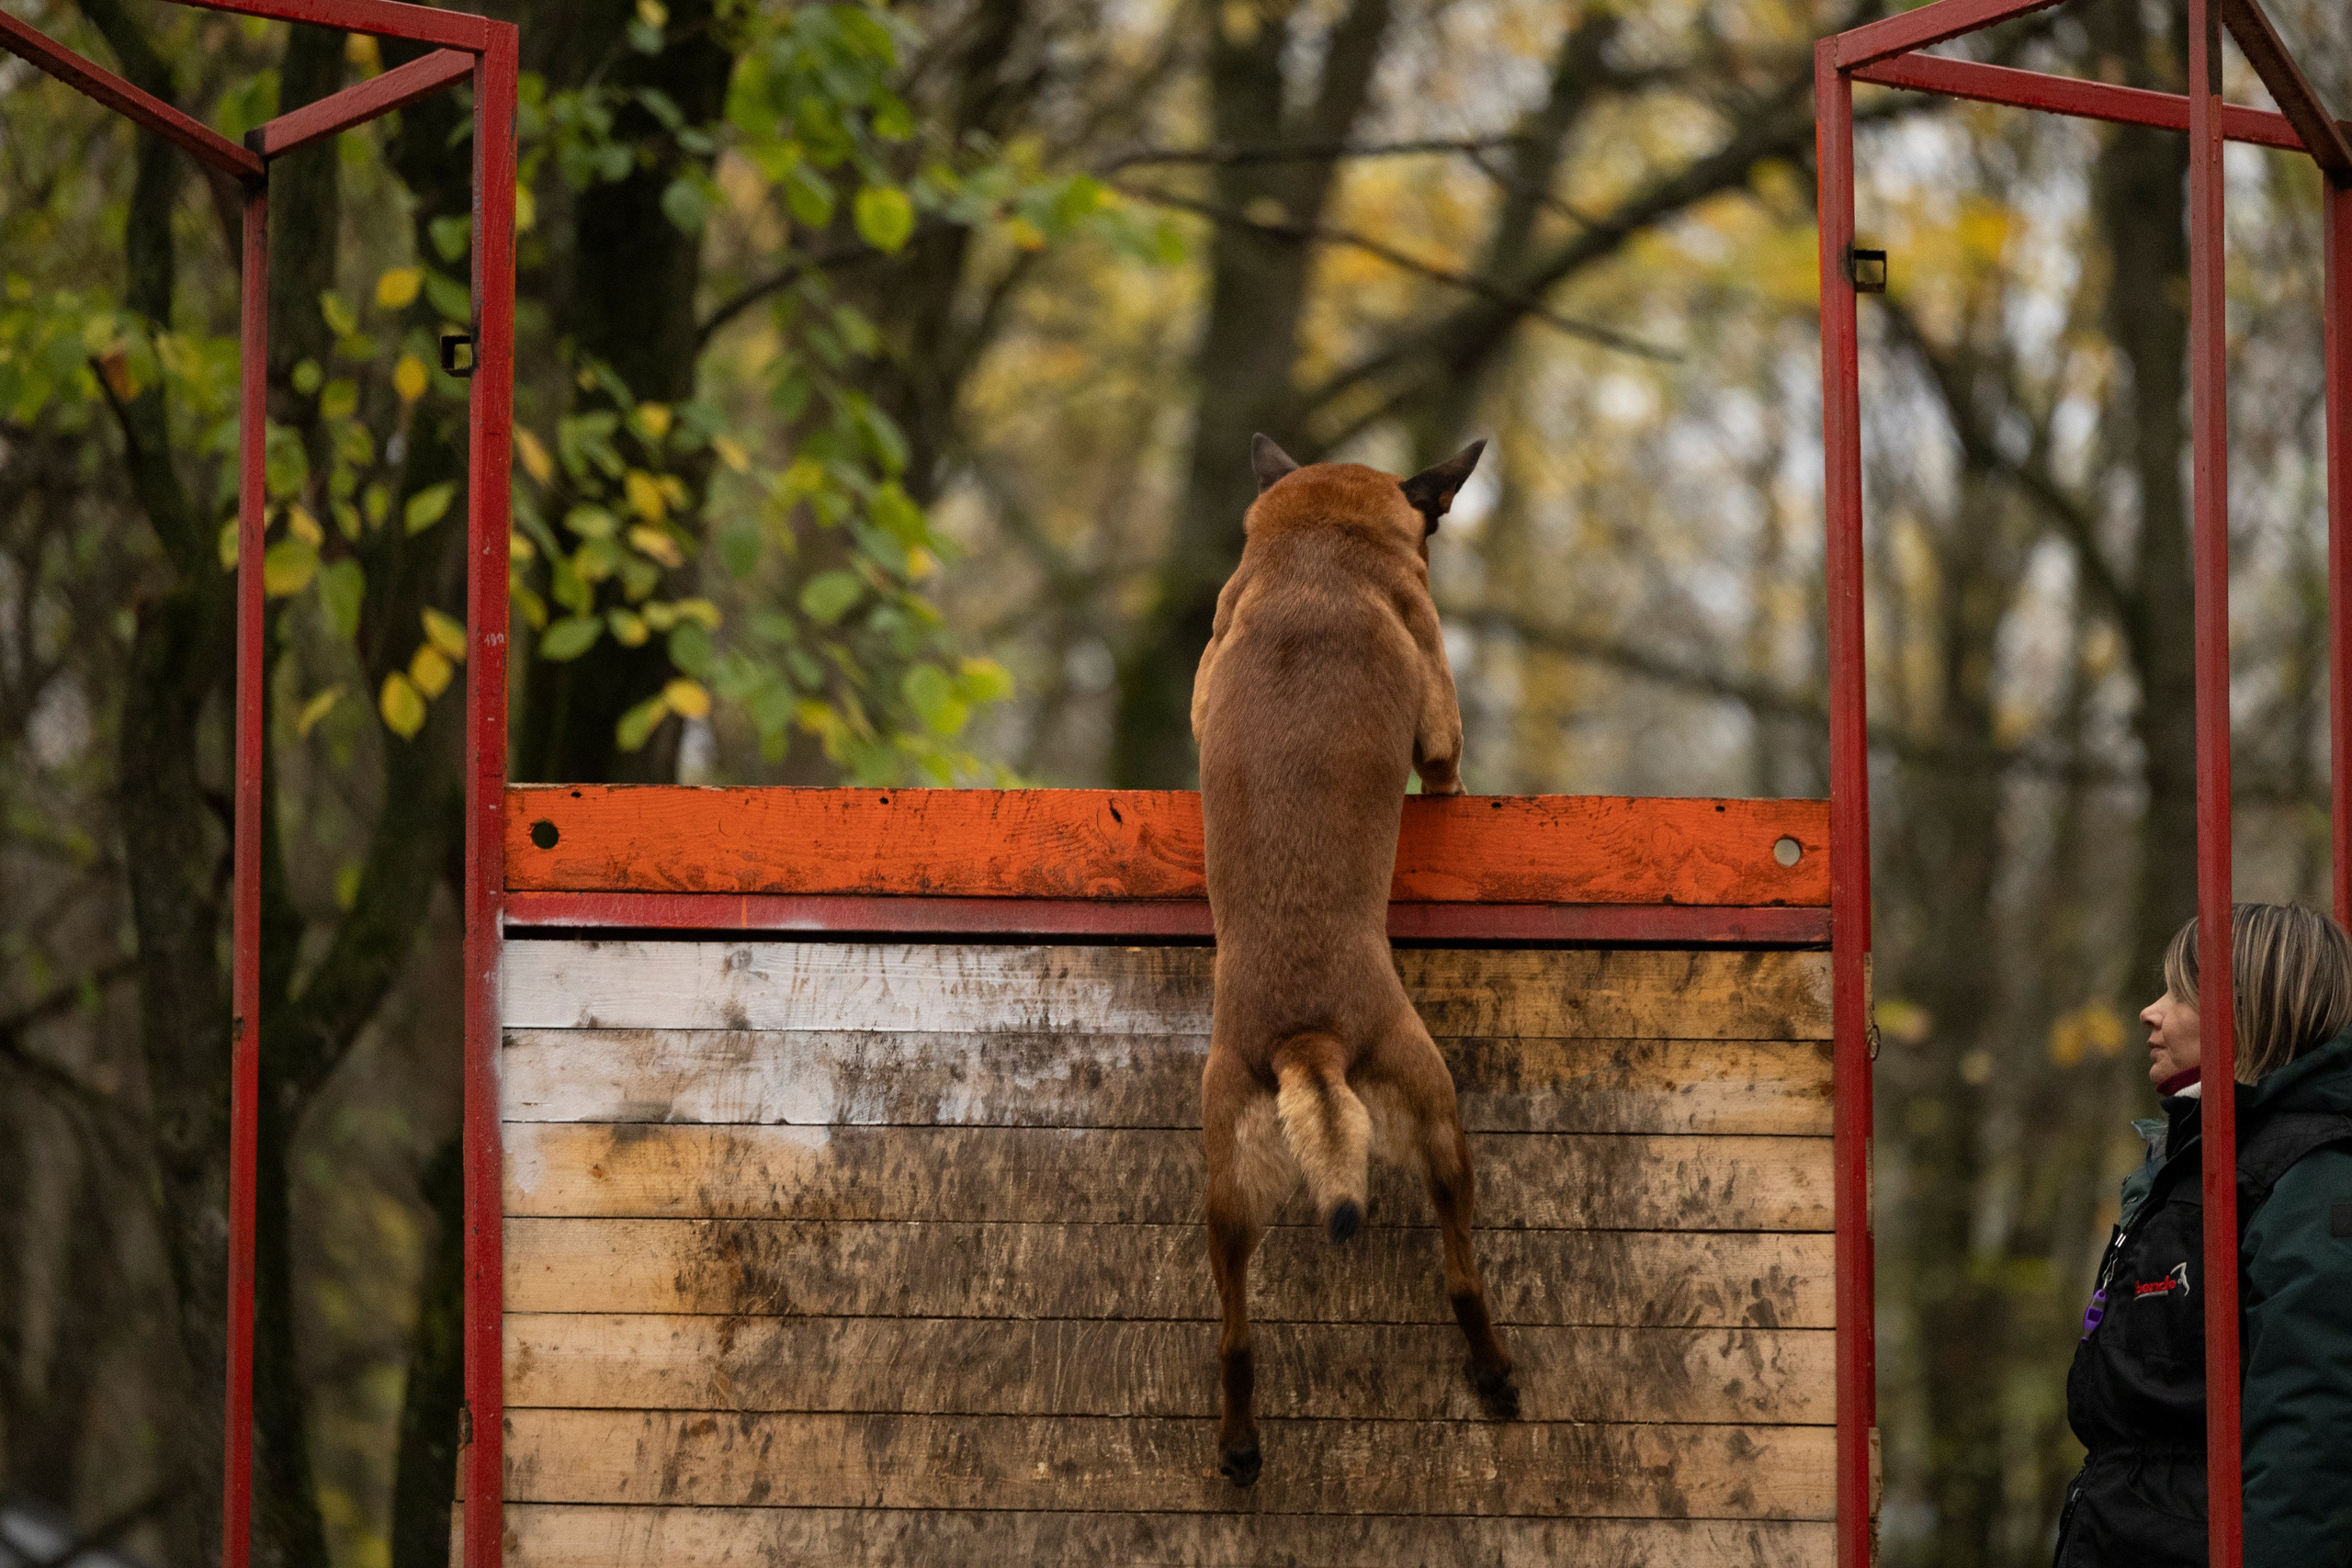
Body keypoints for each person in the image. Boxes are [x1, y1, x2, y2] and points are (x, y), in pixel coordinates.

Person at [2054, 902, 2352, 1566]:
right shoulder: (2193, 1162)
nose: (2149, 1012)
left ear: (2247, 1010)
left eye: (2180, 993)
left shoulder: (2313, 1179)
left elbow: (2313, 1436)